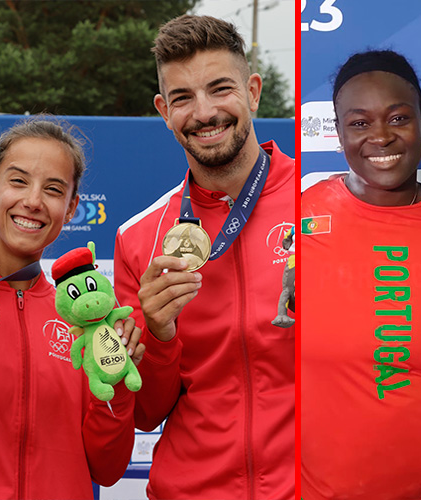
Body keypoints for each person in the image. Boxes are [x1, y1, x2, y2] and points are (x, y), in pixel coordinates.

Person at [113, 15, 295, 500]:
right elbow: (147, 412)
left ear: (253, 91)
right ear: (163, 111)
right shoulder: (139, 238)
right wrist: (158, 333)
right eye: (182, 98)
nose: (204, 112)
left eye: (220, 89)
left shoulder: (321, 201)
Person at [301, 50, 421, 500]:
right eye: (360, 123)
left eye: (398, 118)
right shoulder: (301, 217)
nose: (380, 137)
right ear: (340, 132)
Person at [0, 116, 143, 499]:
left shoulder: (85, 322)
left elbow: (109, 468)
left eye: (53, 189)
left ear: (70, 208)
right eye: (18, 181)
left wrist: (113, 386)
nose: (33, 201)